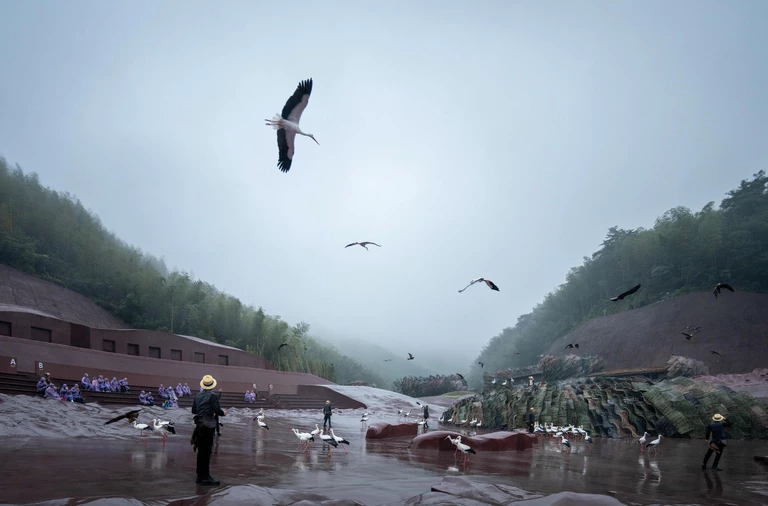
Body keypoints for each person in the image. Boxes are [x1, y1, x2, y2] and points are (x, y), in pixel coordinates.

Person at [191, 374, 226, 486]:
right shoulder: (212, 396)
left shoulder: (197, 396)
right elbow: (217, 410)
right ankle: (206, 477)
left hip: (199, 425)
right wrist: (222, 413)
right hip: (208, 426)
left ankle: (199, 476)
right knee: (206, 451)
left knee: (201, 451)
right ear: (212, 385)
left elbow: (193, 410)